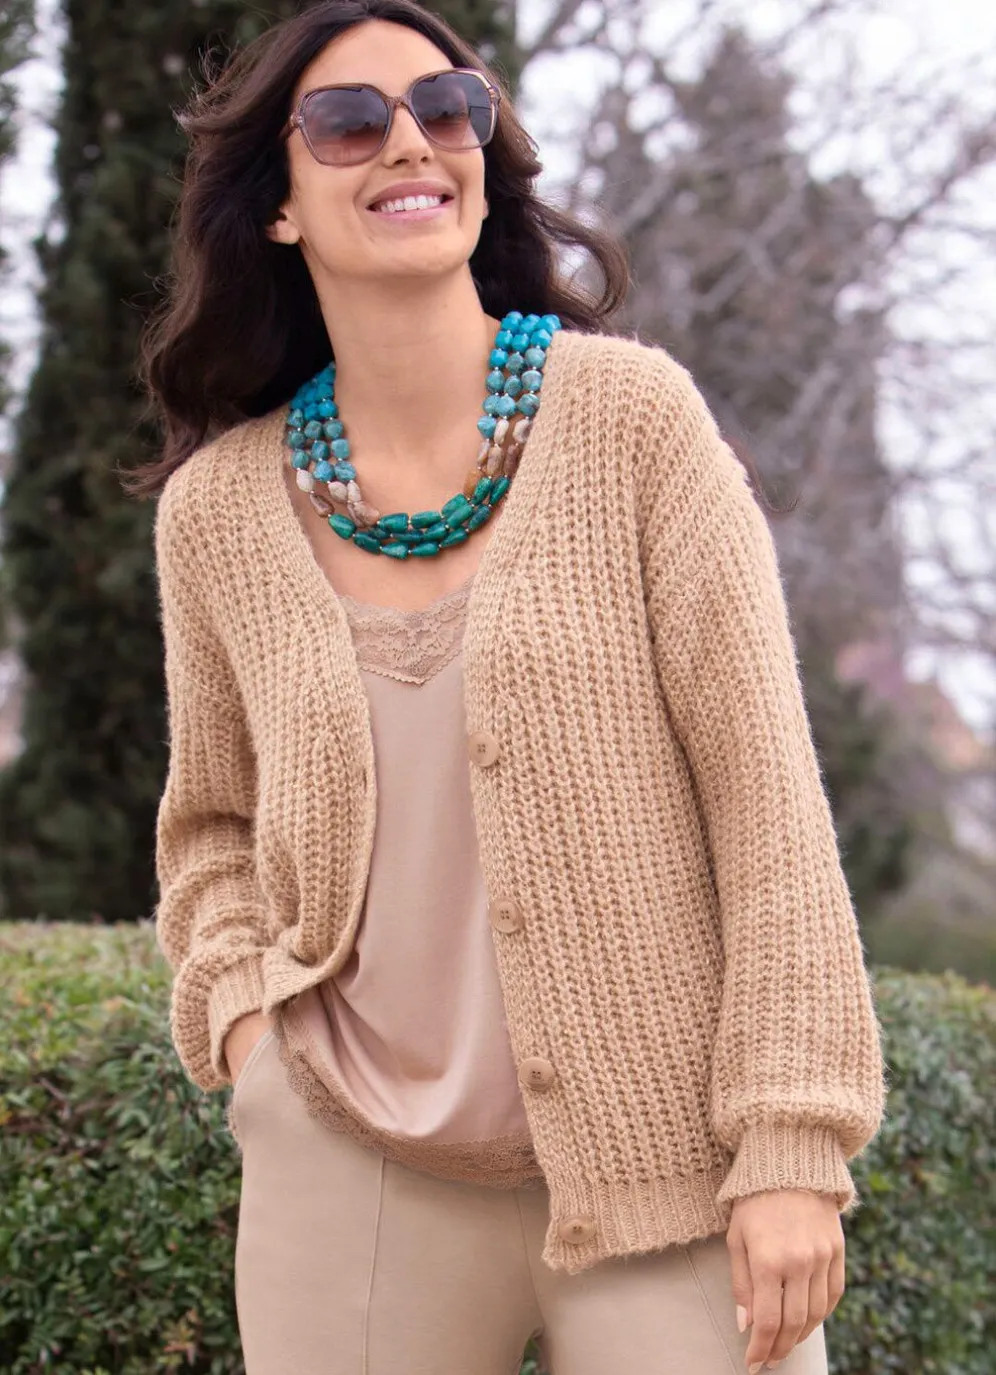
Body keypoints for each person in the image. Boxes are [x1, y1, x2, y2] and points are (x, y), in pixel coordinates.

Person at [136, 2, 886, 1372]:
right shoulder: (219, 515)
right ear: (279, 206)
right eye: (348, 122)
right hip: (353, 1168)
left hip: (669, 1166)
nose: (409, 143)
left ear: (483, 156)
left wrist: (792, 1139)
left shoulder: (634, 425)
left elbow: (767, 802)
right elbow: (210, 831)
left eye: (447, 108)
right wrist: (251, 1040)